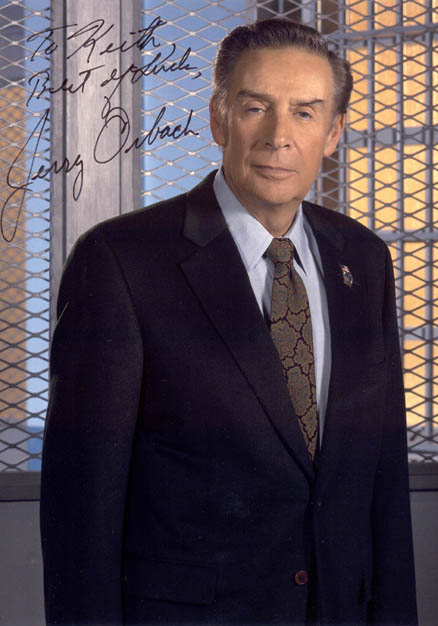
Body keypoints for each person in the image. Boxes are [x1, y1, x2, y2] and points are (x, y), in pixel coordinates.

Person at [40, 18, 418, 626]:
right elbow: (81, 506)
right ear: (219, 119)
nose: (278, 137)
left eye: (305, 112)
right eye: (255, 108)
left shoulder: (365, 259)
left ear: (333, 133)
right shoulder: (120, 261)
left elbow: (384, 478)